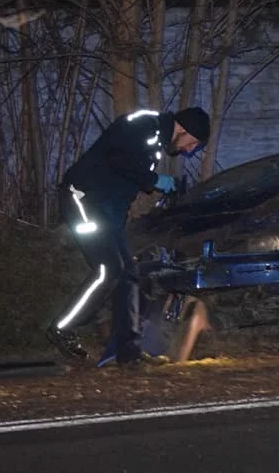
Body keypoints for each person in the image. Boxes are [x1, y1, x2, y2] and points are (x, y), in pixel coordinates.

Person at [46, 106, 210, 361]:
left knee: (128, 274)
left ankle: (128, 351)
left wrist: (123, 215)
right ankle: (62, 328)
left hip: (104, 211)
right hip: (80, 198)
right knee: (108, 269)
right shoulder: (142, 124)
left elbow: (122, 184)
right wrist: (155, 180)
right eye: (193, 143)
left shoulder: (155, 145)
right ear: (183, 129)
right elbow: (118, 160)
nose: (190, 150)